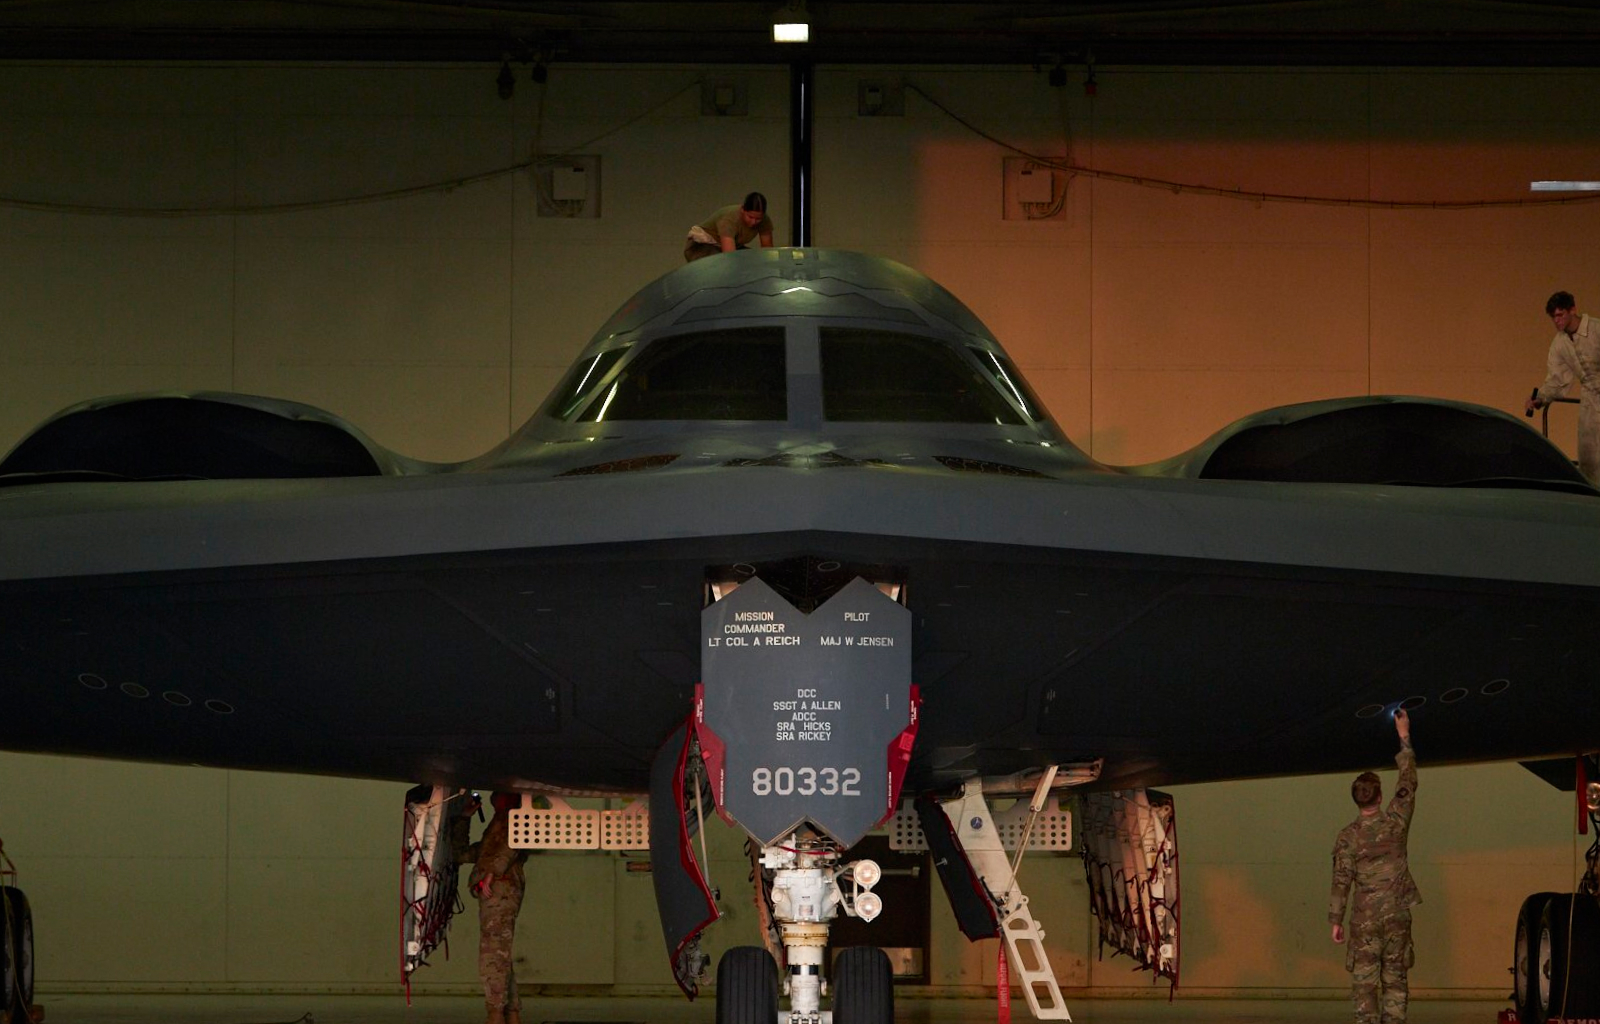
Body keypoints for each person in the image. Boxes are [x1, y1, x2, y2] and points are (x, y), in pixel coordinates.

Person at [1330, 708, 1419, 1024]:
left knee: (1365, 987)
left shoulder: (1348, 838)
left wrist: (1336, 920)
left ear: (1357, 800)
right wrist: (1404, 737)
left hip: (1364, 920)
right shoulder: (1396, 822)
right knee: (1395, 982)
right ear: (1381, 797)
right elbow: (1408, 781)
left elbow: (1341, 881)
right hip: (1397, 916)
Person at [1524, 290, 1600, 483]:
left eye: (1560, 315)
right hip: (1591, 403)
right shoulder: (1560, 343)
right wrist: (1541, 397)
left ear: (1572, 310)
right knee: (1589, 460)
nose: (1556, 321)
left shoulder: (1596, 329)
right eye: (1553, 317)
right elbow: (1557, 379)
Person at [469, 791, 531, 1024]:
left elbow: (516, 841)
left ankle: (495, 1015)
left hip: (501, 891)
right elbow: (468, 852)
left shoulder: (514, 818)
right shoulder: (499, 821)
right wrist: (464, 818)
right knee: (500, 955)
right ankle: (510, 1013)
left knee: (492, 955)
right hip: (496, 892)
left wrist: (493, 872)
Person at [684, 191, 774, 262]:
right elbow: (730, 257)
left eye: (758, 219)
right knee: (721, 266)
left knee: (753, 259)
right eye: (750, 217)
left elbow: (767, 250)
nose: (753, 222)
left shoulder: (764, 220)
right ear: (743, 210)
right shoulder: (730, 219)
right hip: (702, 246)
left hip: (728, 247)